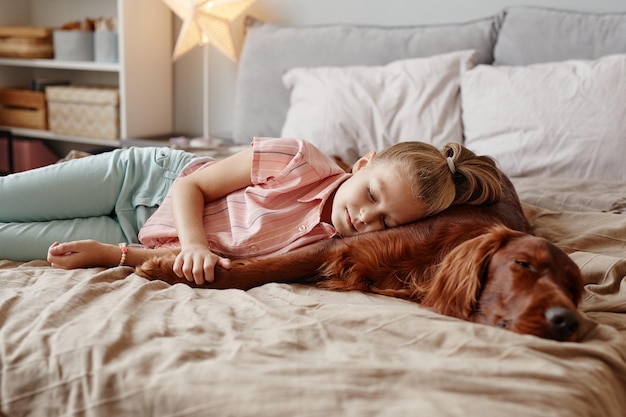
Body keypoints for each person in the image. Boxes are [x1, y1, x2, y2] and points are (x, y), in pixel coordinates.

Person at [0, 137, 502, 285]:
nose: (367, 219)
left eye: (388, 221)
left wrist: (114, 254)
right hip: (148, 179)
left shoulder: (321, 250)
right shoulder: (297, 158)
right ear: (363, 163)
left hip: (130, 232)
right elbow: (192, 185)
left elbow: (221, 268)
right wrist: (194, 243)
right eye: (371, 195)